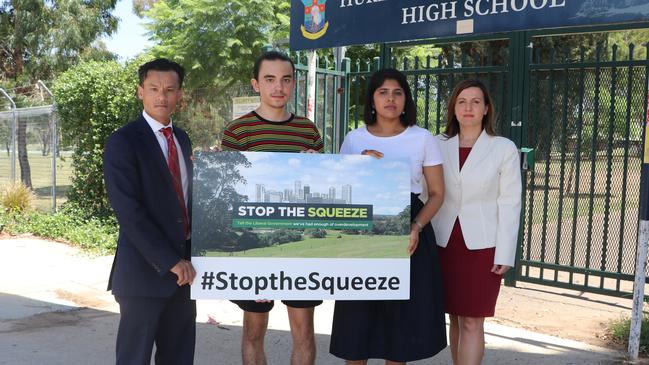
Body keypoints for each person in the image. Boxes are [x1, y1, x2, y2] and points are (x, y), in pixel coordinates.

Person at [329, 68, 447, 364]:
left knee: (400, 326)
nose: (390, 99)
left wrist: (416, 227)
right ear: (372, 100)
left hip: (409, 230)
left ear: (406, 100)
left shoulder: (422, 138)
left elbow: (437, 193)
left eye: (397, 92)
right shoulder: (354, 139)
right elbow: (340, 189)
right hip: (362, 230)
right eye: (382, 92)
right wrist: (359, 166)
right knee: (357, 322)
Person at [221, 50, 323, 365]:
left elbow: (319, 192)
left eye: (285, 79)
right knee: (254, 330)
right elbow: (228, 195)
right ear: (256, 84)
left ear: (293, 83)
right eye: (269, 79)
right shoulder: (237, 131)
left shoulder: (308, 131)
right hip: (254, 244)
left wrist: (317, 168)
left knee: (304, 332)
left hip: (300, 247)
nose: (278, 87)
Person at [103, 58, 196, 365]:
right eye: (154, 88)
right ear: (139, 91)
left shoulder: (182, 139)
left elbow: (185, 199)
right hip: (144, 274)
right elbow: (129, 211)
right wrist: (170, 261)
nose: (162, 96)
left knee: (178, 358)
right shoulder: (123, 141)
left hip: (185, 277)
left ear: (180, 95)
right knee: (134, 359)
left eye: (170, 89)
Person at [431, 79, 522, 365]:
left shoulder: (503, 148)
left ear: (486, 109)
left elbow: (510, 203)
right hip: (442, 242)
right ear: (453, 109)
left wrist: (505, 253)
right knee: (455, 318)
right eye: (462, 101)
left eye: (475, 102)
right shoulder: (436, 144)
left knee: (472, 320)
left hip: (483, 247)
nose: (468, 107)